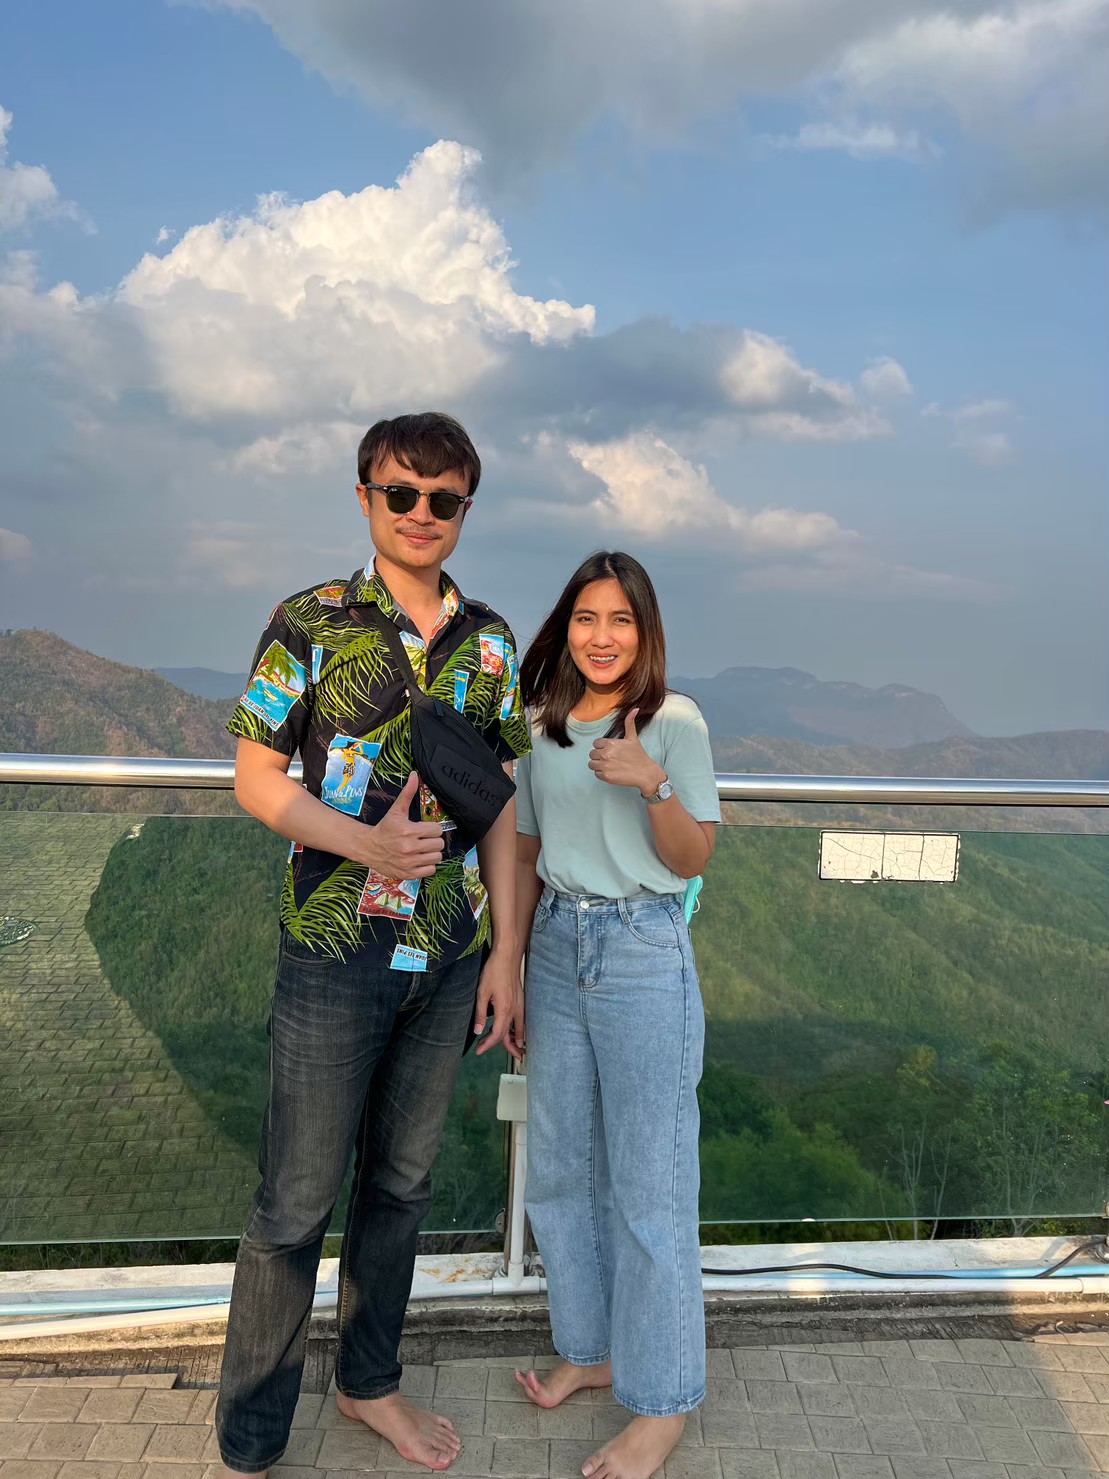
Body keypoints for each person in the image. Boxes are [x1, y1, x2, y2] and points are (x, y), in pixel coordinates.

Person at [215, 412, 529, 1477]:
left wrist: (505, 952)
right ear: (365, 498)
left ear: (465, 509)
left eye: (442, 499)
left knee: (399, 1187)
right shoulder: (309, 621)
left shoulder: (490, 641)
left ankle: (368, 1383)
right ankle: (253, 1427)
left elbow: (499, 803)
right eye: (401, 493)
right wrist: (368, 844)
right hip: (332, 951)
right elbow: (256, 778)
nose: (420, 514)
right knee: (295, 1199)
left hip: (446, 957)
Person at [512, 551, 720, 1479]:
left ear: (645, 631)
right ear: (565, 628)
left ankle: (662, 1402)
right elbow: (526, 849)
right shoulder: (541, 724)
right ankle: (591, 1349)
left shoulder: (674, 721)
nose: (602, 637)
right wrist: (512, 965)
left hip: (640, 948)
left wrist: (650, 781)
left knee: (649, 1183)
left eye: (620, 620)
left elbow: (691, 857)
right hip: (557, 943)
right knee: (560, 1168)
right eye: (586, 618)